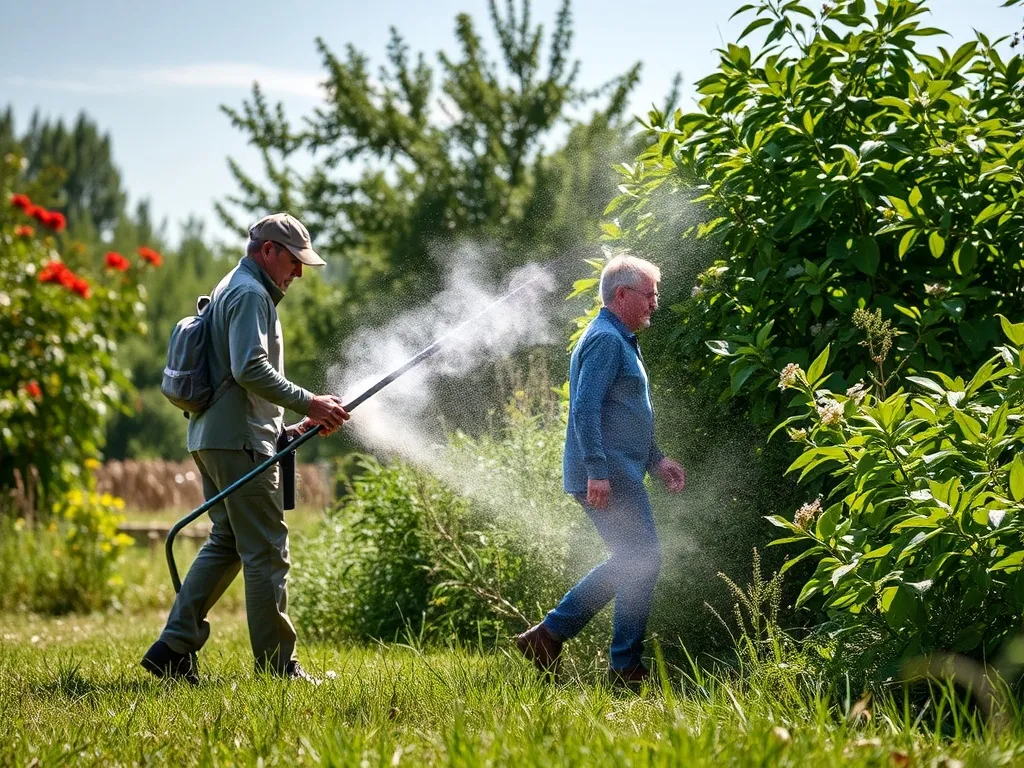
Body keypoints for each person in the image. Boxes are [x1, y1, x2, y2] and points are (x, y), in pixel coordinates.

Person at [141, 212, 350, 684]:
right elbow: (249, 369)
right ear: (268, 250)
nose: (297, 273)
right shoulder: (251, 293)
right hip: (237, 441)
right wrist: (311, 403)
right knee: (267, 551)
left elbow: (235, 382)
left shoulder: (232, 286)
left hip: (216, 438)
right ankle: (279, 670)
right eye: (293, 261)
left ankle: (172, 648)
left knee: (229, 542)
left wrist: (285, 429)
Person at [515, 253, 686, 684]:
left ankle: (570, 642)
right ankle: (604, 654)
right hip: (607, 474)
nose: (655, 303)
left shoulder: (620, 338)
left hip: (620, 470)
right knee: (640, 558)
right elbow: (585, 409)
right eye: (649, 295)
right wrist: (596, 470)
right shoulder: (608, 340)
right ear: (622, 294)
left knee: (637, 559)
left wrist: (655, 459)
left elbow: (626, 412)